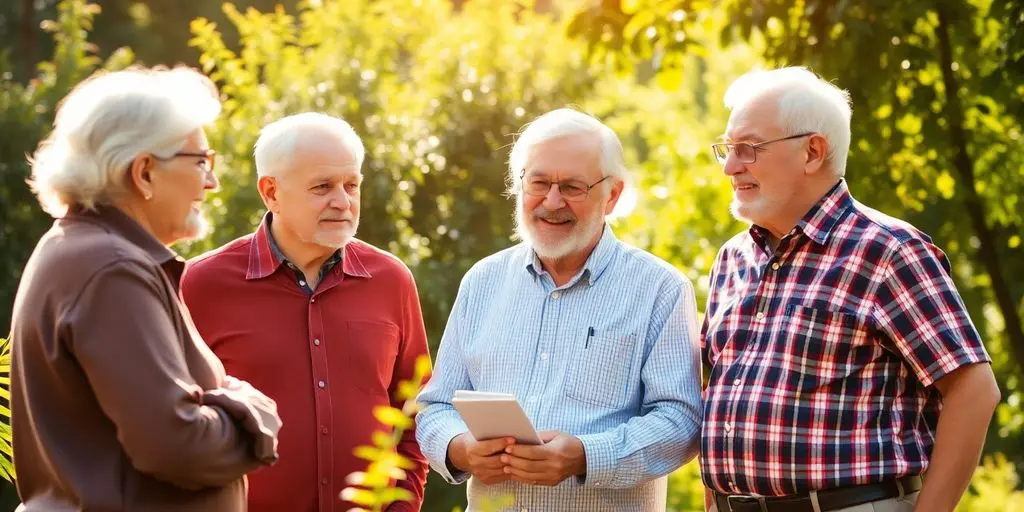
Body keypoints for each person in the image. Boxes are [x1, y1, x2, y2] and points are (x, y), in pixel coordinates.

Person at [701, 67, 1000, 512]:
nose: (730, 166)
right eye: (727, 149)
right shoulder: (733, 257)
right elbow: (720, 394)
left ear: (812, 151)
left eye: (749, 148)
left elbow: (974, 390)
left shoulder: (888, 251)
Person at [9, 66, 281, 512]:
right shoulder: (112, 269)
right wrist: (255, 412)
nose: (210, 182)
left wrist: (221, 404)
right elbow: (177, 445)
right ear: (145, 173)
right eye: (201, 162)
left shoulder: (88, 252)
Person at [416, 108, 702, 511]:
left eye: (572, 186)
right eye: (538, 183)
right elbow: (435, 408)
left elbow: (681, 423)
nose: (552, 201)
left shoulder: (660, 289)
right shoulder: (482, 282)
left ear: (612, 195)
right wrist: (460, 448)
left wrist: (585, 456)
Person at [180, 112, 430, 512]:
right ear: (271, 192)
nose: (343, 202)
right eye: (322, 187)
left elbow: (415, 413)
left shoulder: (392, 280)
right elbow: (174, 422)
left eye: (352, 185)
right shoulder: (198, 285)